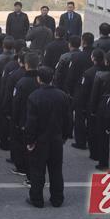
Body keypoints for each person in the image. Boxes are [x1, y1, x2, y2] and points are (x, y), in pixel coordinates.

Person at [25, 67, 72, 208]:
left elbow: (31, 122)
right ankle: (57, 198)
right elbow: (68, 119)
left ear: (39, 79)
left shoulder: (34, 97)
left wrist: (30, 140)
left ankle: (37, 198)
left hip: (40, 140)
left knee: (37, 170)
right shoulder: (62, 95)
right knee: (56, 170)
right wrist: (65, 136)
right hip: (56, 138)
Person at [9, 52, 40, 180]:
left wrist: (14, 119)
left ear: (26, 65)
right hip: (41, 120)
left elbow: (16, 103)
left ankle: (26, 171)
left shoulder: (21, 82)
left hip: (24, 120)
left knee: (24, 146)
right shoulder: (42, 80)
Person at [89, 52, 110, 170]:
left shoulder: (100, 75)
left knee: (102, 137)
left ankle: (103, 162)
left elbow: (94, 95)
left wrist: (92, 110)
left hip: (103, 106)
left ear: (106, 61)